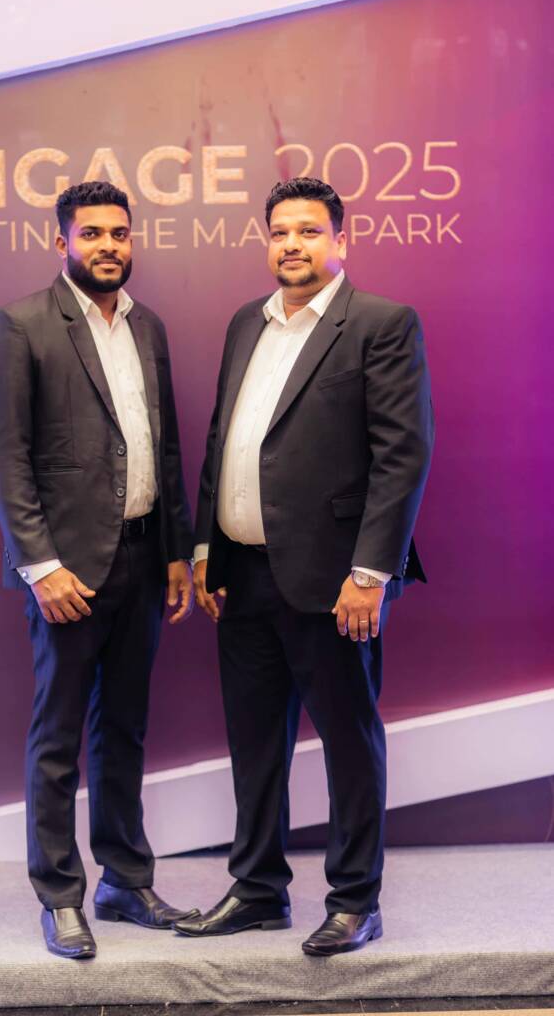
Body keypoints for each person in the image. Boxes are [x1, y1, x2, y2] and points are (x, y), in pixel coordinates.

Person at [176, 177, 434, 955]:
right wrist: (204, 548)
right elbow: (222, 439)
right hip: (242, 576)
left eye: (309, 231)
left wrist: (370, 574)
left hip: (334, 579)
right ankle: (257, 890)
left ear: (339, 240)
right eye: (280, 231)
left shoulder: (380, 322)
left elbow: (402, 456)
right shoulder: (244, 323)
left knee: (348, 741)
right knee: (254, 744)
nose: (292, 244)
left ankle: (355, 900)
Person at [0, 180, 198, 960]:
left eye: (119, 233)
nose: (108, 245)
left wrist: (175, 550)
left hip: (143, 560)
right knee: (58, 737)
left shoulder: (148, 326)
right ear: (62, 242)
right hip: (65, 572)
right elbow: (5, 457)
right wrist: (39, 566)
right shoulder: (21, 325)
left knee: (124, 729)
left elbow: (164, 447)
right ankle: (59, 895)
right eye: (92, 233)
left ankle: (125, 881)